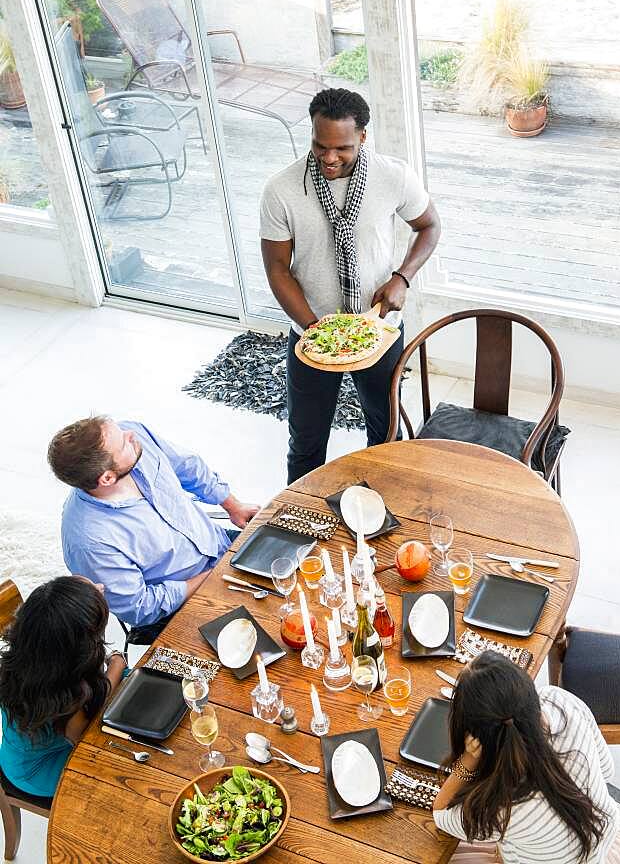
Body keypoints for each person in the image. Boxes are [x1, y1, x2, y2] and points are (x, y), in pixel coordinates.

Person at [260, 87, 441, 483]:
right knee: (305, 442)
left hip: (378, 331)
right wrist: (317, 332)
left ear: (362, 136)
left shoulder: (393, 176)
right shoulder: (282, 189)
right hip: (311, 334)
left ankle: (379, 509)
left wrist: (402, 276)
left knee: (385, 433)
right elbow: (277, 268)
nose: (328, 158)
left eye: (341, 147)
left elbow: (429, 226)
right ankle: (300, 525)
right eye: (319, 145)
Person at [48, 416, 259, 629]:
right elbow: (140, 608)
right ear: (107, 478)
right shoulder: (90, 542)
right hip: (182, 604)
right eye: (123, 443)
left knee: (291, 566)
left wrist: (233, 506)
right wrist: (212, 577)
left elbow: (187, 466)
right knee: (260, 637)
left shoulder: (133, 438)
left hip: (219, 544)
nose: (130, 435)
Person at [432, 651, 620, 863]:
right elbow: (607, 772)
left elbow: (440, 814)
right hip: (611, 844)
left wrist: (468, 760)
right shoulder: (561, 702)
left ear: (477, 736)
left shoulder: (497, 807)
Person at [0, 576, 126, 798]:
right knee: (119, 773)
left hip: (25, 750)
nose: (101, 586)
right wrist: (116, 664)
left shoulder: (32, 654)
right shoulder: (64, 695)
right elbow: (86, 738)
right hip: (39, 771)